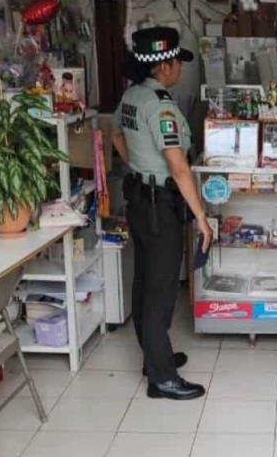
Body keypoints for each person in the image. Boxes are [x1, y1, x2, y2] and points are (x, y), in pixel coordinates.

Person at [111, 26, 214, 400]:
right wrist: (201, 216)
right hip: (158, 207)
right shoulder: (160, 106)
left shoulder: (131, 97)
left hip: (139, 198)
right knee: (161, 290)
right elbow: (178, 166)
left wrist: (138, 165)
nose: (179, 69)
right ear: (165, 65)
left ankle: (154, 356)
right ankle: (162, 378)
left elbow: (116, 137)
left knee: (144, 281)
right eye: (177, 62)